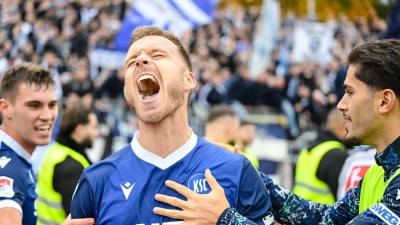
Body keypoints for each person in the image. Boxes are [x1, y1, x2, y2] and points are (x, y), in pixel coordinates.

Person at [153, 39, 400, 225]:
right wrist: (246, 173)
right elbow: (323, 219)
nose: (340, 105)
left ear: (384, 101)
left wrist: (224, 218)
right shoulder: (381, 171)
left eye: (350, 92)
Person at [70, 26, 274, 224]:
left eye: (158, 55)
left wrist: (224, 219)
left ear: (189, 80)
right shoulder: (96, 181)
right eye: (131, 62)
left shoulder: (237, 169)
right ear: (126, 89)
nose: (141, 60)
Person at [0, 63, 93, 225]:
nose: (47, 115)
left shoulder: (18, 157)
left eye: (52, 105)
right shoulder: (9, 170)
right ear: (6, 108)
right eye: (34, 105)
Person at [36, 107, 99, 225]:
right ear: (80, 130)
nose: (97, 133)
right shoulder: (71, 166)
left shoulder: (55, 150)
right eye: (94, 127)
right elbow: (78, 218)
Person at [293, 108, 348, 204]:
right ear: (344, 127)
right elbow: (346, 202)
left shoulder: (310, 149)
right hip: (325, 216)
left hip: (301, 213)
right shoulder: (336, 156)